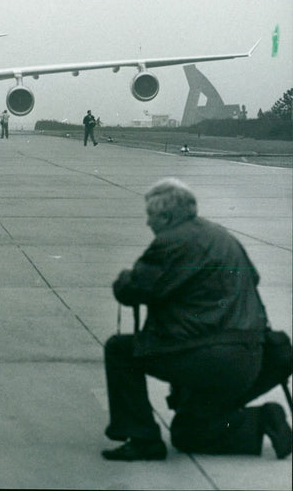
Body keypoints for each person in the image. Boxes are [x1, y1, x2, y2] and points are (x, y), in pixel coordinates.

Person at [102, 178, 291, 461]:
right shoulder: (221, 235)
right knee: (188, 433)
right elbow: (253, 277)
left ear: (166, 216)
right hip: (251, 357)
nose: (148, 223)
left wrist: (123, 280)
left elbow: (135, 290)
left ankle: (142, 440)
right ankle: (263, 420)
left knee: (119, 350)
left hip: (208, 358)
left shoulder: (171, 243)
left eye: (150, 216)